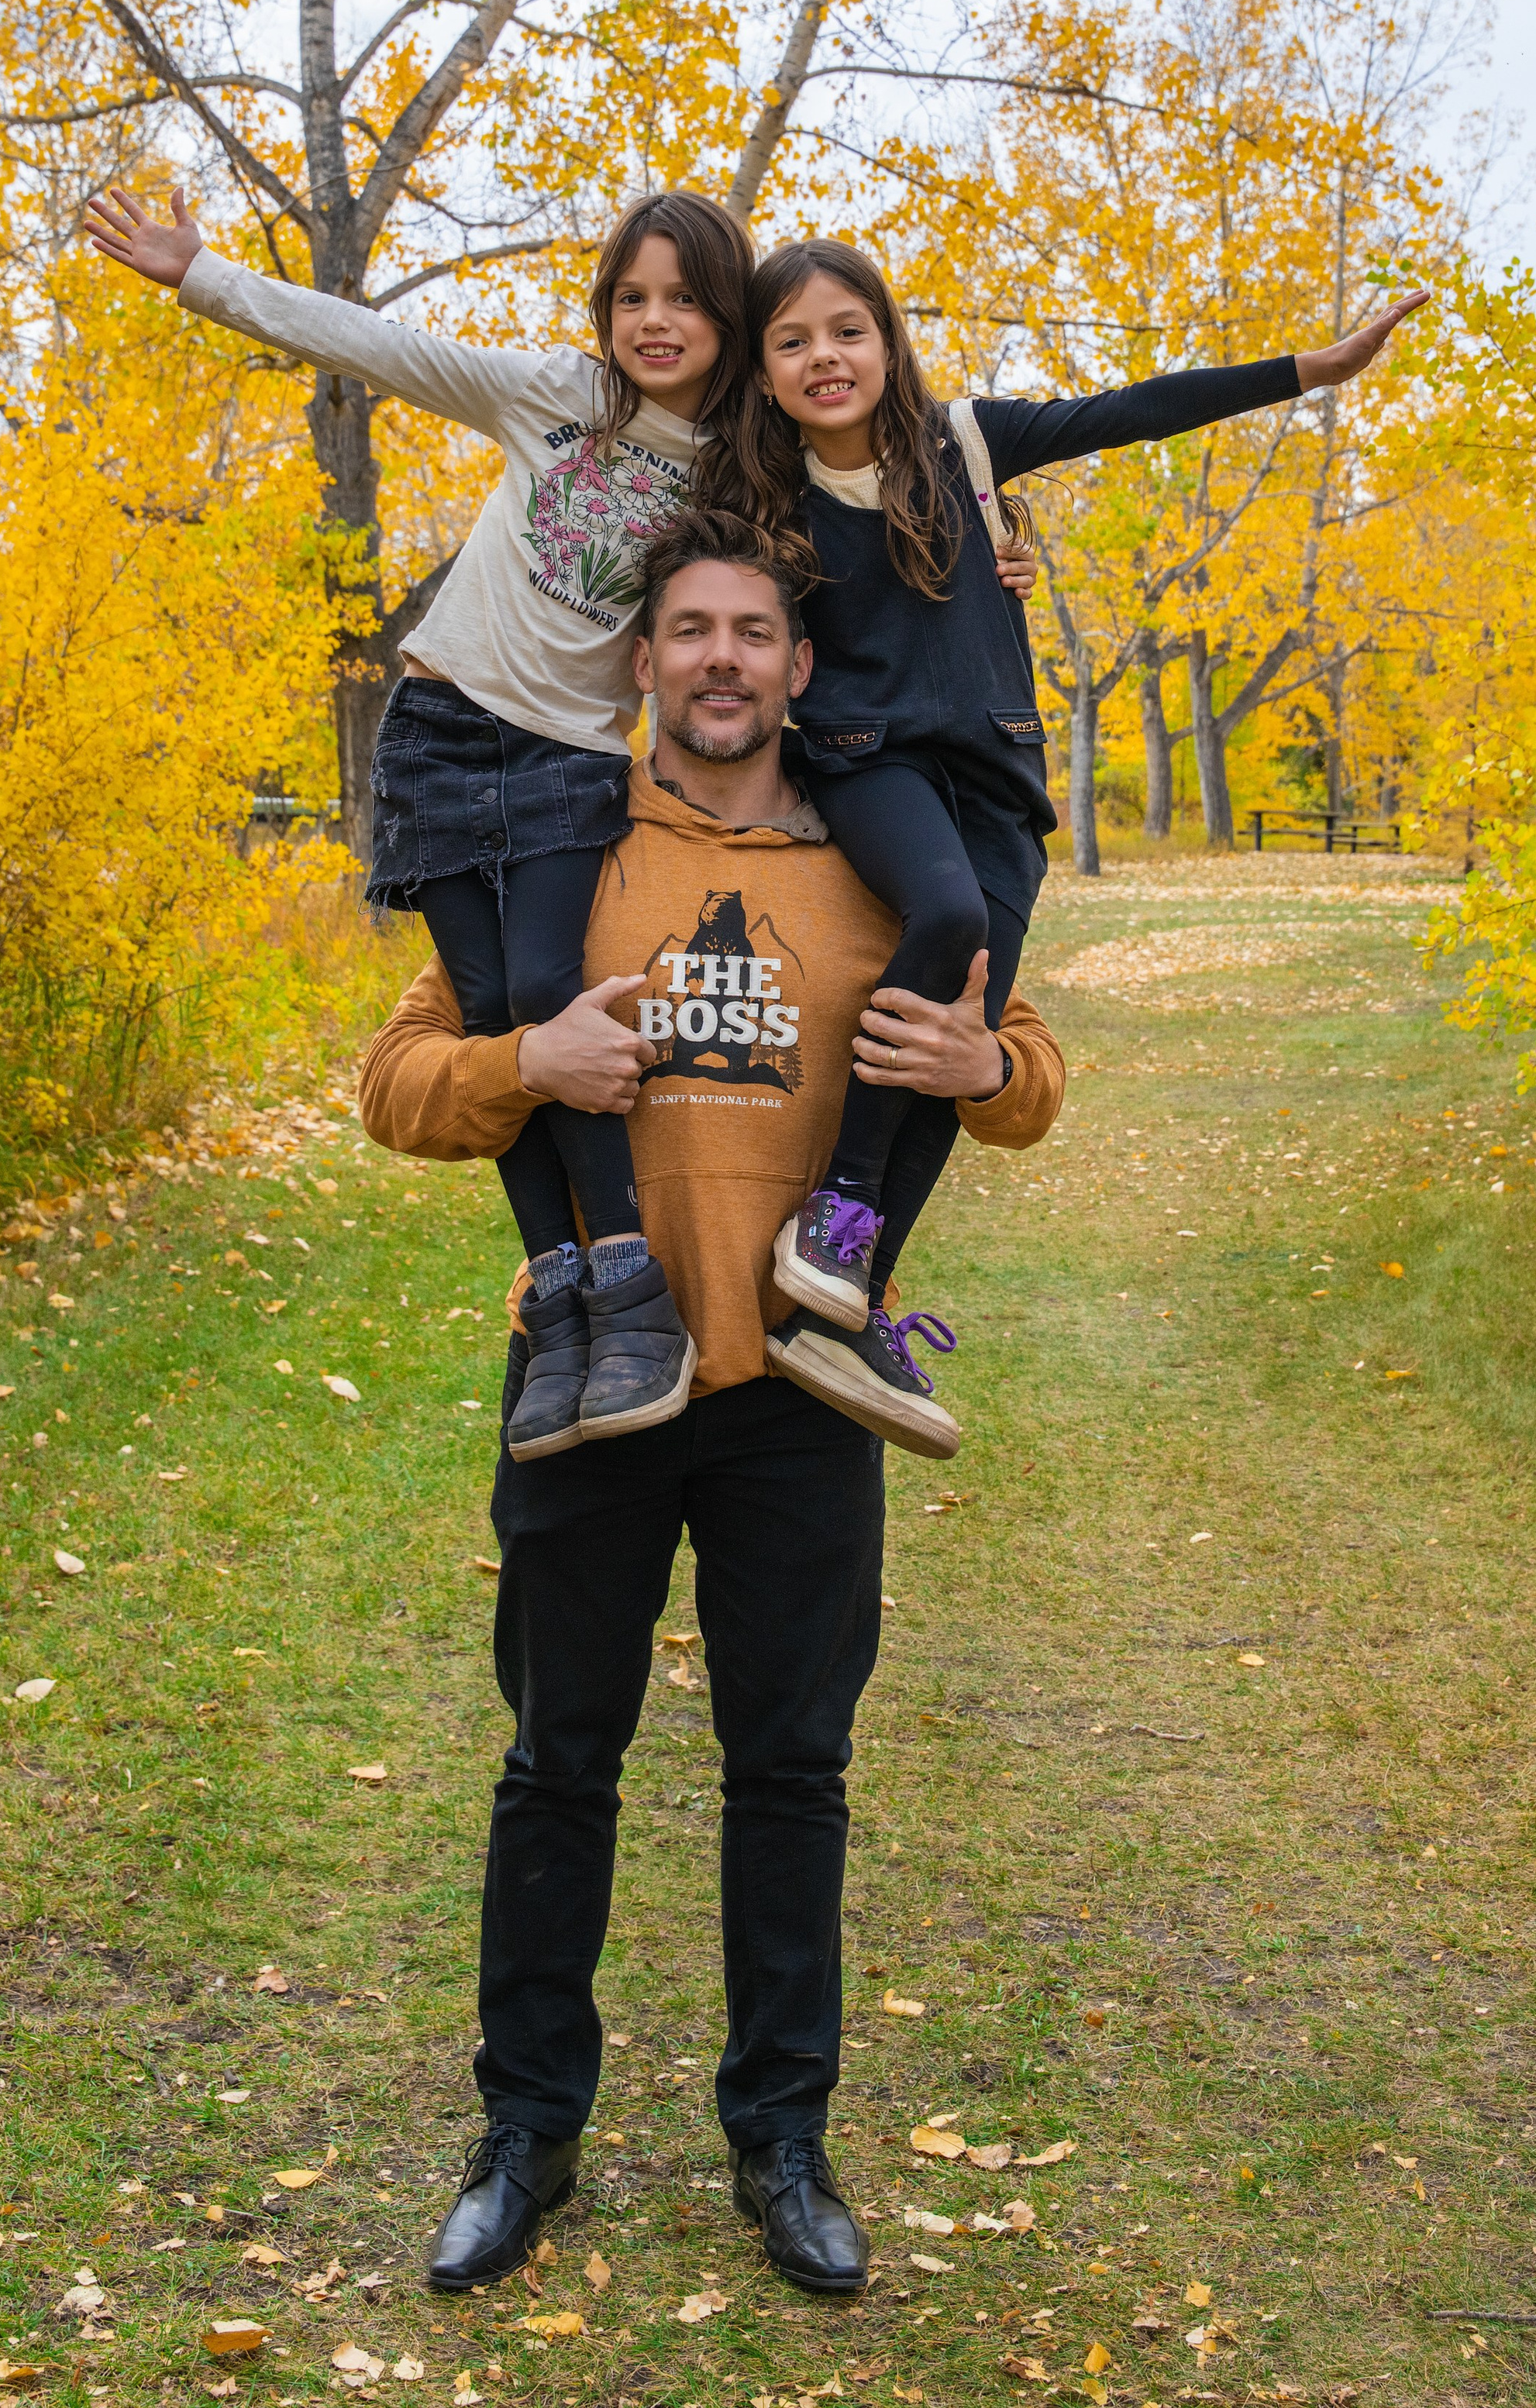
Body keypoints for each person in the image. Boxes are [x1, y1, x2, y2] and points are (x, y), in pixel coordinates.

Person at [354, 505, 1067, 2297]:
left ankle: (782, 2135)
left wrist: (987, 1066)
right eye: (690, 630)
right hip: (597, 1369)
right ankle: (526, 2131)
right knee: (556, 1763)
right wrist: (530, 1060)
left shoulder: (880, 854)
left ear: (800, 661)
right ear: (644, 659)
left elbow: (1030, 1068)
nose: (724, 659)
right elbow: (396, 1078)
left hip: (801, 1390)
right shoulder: (565, 842)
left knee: (792, 1768)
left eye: (754, 629)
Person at [82, 186, 1038, 1459]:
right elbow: (378, 345)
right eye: (631, 297)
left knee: (545, 982)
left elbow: (872, 529)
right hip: (441, 728)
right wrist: (201, 276)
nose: (656, 321)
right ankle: (582, 1290)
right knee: (507, 1018)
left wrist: (995, 551)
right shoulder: (552, 398)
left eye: (689, 300)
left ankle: (743, 1281)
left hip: (570, 763)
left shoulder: (748, 478)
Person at [692, 241, 1430, 1425]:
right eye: (792, 341)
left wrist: (1314, 367)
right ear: (765, 371)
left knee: (969, 1014)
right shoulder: (761, 502)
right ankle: (834, 1231)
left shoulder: (970, 447)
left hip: (997, 771)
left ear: (888, 340)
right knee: (947, 915)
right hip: (866, 759)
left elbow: (1138, 409)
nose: (823, 357)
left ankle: (841, 1307)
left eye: (846, 330)